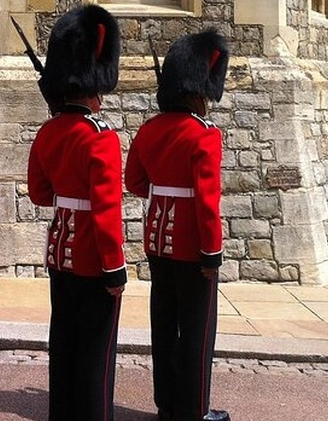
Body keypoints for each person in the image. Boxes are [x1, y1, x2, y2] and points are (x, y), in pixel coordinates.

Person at [27, 4, 127, 420]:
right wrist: (115, 268)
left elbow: (39, 194)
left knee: (64, 344)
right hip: (92, 258)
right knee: (96, 355)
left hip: (59, 255)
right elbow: (106, 211)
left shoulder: (48, 132)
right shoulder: (100, 137)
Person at [125, 29, 230, 421]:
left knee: (164, 325)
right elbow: (207, 202)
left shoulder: (149, 129)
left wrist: (164, 191)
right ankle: (194, 411)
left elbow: (134, 182)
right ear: (198, 90)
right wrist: (212, 253)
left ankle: (167, 404)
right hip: (192, 245)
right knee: (198, 331)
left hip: (157, 242)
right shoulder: (204, 135)